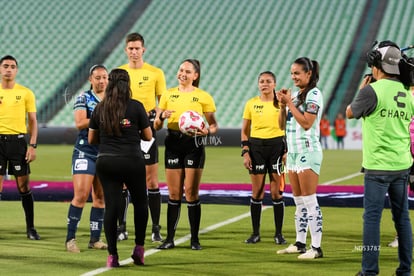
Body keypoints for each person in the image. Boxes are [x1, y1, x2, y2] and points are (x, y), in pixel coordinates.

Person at [346, 41, 413, 276]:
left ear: (377, 64)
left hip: (377, 167)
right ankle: (405, 270)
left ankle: (369, 271)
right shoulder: (407, 91)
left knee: (372, 219)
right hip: (402, 165)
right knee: (402, 219)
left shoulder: (370, 91)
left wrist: (364, 88)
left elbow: (350, 112)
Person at [88, 68, 152, 267]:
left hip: (107, 161)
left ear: (110, 84)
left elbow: (92, 139)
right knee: (140, 203)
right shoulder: (136, 107)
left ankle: (112, 256)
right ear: (128, 84)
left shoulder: (100, 108)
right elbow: (148, 136)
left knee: (112, 207)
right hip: (132, 160)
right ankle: (139, 249)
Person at [154, 59, 218, 250]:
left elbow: (213, 125)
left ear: (195, 75)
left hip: (194, 144)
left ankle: (195, 239)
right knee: (174, 193)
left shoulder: (203, 96)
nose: (183, 73)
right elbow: (156, 126)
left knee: (190, 192)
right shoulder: (167, 94)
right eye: (181, 70)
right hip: (173, 142)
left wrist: (207, 131)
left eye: (188, 71)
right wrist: (161, 117)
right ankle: (169, 239)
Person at [117, 32, 166, 242]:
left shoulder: (155, 73)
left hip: (146, 131)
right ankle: (121, 227)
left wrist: (155, 116)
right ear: (126, 50)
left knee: (151, 181)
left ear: (143, 49)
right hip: (124, 132)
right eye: (131, 48)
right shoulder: (119, 73)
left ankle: (155, 228)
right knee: (123, 182)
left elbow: (161, 103)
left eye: (138, 48)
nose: (134, 52)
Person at [276, 57, 324, 259]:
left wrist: (290, 104)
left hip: (308, 150)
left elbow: (306, 123)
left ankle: (317, 248)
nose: (293, 77)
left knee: (310, 200)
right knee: (299, 201)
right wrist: (282, 105)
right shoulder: (296, 96)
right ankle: (299, 243)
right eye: (292, 73)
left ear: (309, 73)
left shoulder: (314, 94)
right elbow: (281, 125)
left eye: (297, 73)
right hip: (294, 153)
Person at [65, 65, 108, 253]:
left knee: (100, 197)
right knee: (81, 194)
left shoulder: (113, 99)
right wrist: (104, 117)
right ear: (91, 79)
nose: (102, 81)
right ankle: (70, 239)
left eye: (105, 77)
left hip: (105, 152)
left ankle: (95, 239)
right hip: (85, 151)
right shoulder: (83, 98)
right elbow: (80, 123)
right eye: (98, 77)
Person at [241, 71, 286, 245]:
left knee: (277, 192)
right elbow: (245, 130)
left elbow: (284, 126)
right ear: (258, 84)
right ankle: (255, 233)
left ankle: (279, 234)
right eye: (261, 81)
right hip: (256, 148)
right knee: (257, 192)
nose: (264, 84)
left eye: (268, 81)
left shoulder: (280, 103)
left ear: (274, 84)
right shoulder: (251, 104)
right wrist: (245, 152)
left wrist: (286, 151)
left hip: (277, 147)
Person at [0, 55, 40, 240]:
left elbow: (32, 121)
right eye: (5, 66)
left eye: (12, 66)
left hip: (18, 143)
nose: (9, 69)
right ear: (0, 69)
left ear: (17, 70)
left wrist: (32, 145)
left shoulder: (26, 93)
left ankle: (30, 228)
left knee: (23, 186)